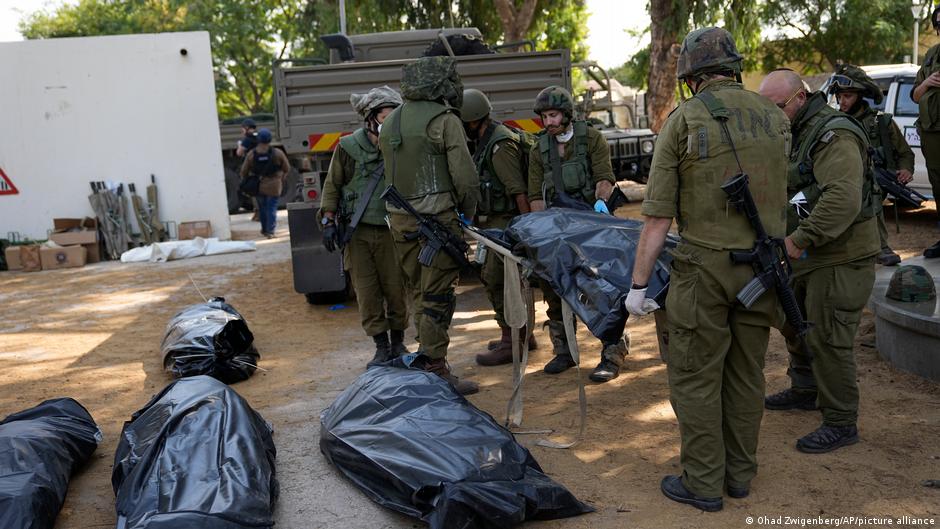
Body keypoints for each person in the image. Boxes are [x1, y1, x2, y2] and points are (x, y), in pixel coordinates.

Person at [626, 27, 790, 512]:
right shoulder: (775, 117)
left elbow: (656, 218)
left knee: (696, 376)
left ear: (690, 76)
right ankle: (740, 476)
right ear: (733, 67)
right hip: (763, 269)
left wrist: (638, 286)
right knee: (746, 373)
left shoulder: (684, 120)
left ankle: (702, 483)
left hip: (704, 272)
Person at [759, 69, 878, 454]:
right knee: (793, 322)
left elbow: (842, 199)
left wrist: (800, 238)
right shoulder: (792, 130)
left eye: (777, 107)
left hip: (840, 254)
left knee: (828, 337)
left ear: (799, 98)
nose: (773, 114)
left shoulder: (834, 133)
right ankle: (806, 388)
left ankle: (841, 421)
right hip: (807, 253)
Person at [378, 56, 481, 395]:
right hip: (437, 223)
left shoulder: (390, 121)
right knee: (438, 297)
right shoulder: (445, 120)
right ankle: (435, 368)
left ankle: (427, 358)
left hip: (400, 224)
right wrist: (467, 214)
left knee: (420, 292)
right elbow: (465, 178)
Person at [527, 85, 627, 383]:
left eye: (554, 115)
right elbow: (535, 195)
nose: (549, 123)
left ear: (567, 114)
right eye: (544, 117)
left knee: (603, 288)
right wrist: (540, 233)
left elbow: (604, 177)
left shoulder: (591, 139)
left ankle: (612, 351)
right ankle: (565, 350)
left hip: (591, 224)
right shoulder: (538, 149)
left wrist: (600, 205)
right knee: (554, 287)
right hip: (556, 227)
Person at [319, 86, 410, 365]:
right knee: (367, 292)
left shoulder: (402, 147)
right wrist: (328, 220)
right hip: (357, 233)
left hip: (393, 230)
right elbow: (332, 185)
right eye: (385, 117)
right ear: (370, 118)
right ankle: (381, 346)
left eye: (395, 117)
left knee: (396, 289)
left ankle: (398, 344)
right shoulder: (348, 147)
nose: (390, 123)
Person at [459, 88, 537, 366]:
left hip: (507, 223)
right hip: (495, 223)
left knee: (496, 279)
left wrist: (527, 232)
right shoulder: (486, 140)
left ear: (472, 120)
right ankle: (521, 334)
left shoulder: (499, 145)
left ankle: (511, 341)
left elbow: (518, 191)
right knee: (502, 280)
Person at [829, 64, 915, 266]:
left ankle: (880, 246)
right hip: (841, 181)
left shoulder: (881, 123)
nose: (842, 102)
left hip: (874, 183)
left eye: (847, 96)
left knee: (872, 193)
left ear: (860, 95)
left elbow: (904, 153)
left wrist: (905, 169)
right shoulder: (834, 122)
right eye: (839, 97)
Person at [912, 5, 940, 259]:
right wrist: (927, 82)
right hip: (932, 134)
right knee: (938, 186)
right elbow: (914, 94)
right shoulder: (931, 55)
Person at [240, 128, 290, 238]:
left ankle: (264, 229)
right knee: (271, 208)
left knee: (262, 208)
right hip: (274, 186)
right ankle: (270, 231)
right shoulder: (277, 153)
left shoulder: (251, 154)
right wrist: (282, 178)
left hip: (259, 186)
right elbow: (286, 168)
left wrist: (247, 180)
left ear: (258, 139)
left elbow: (244, 171)